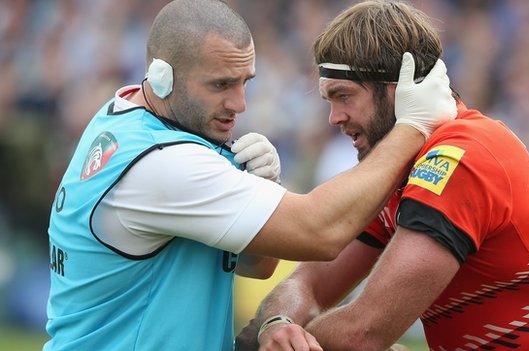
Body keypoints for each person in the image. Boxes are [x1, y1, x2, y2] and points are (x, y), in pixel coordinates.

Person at [44, 0, 457, 350]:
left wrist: (262, 190)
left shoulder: (124, 118)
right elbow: (321, 232)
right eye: (221, 84)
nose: (239, 103)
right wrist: (412, 128)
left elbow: (256, 265)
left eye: (245, 83)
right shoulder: (163, 163)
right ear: (162, 77)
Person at [237, 1, 529, 350]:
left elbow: (365, 331)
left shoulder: (461, 155)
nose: (334, 118)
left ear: (400, 89)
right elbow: (307, 283)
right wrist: (277, 322)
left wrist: (280, 342)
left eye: (345, 96)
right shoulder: (398, 166)